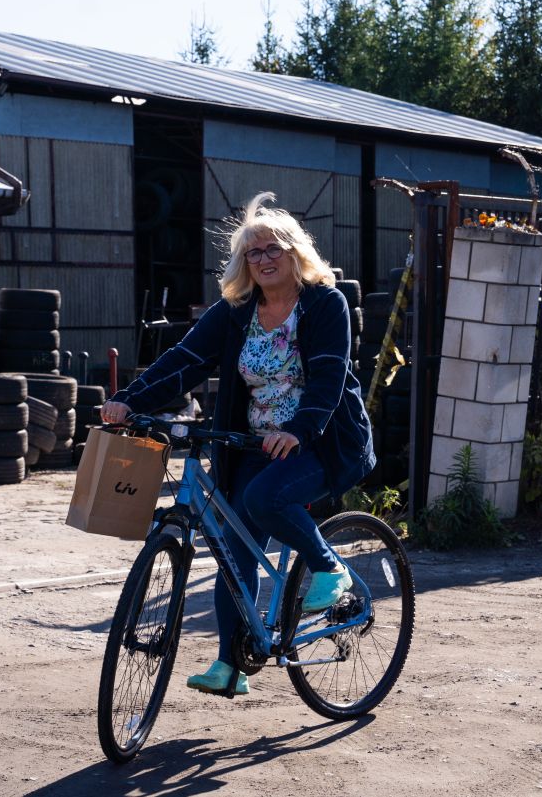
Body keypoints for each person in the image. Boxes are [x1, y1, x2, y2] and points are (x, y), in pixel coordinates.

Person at [101, 191, 375, 696]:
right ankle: (231, 664)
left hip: (323, 440)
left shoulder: (324, 304)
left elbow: (330, 377)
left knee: (264, 499)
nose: (265, 259)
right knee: (231, 550)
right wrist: (129, 399)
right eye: (254, 252)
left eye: (274, 249)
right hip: (251, 443)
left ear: (296, 253)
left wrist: (298, 429)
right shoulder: (236, 311)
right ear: (243, 263)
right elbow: (185, 359)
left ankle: (328, 568)